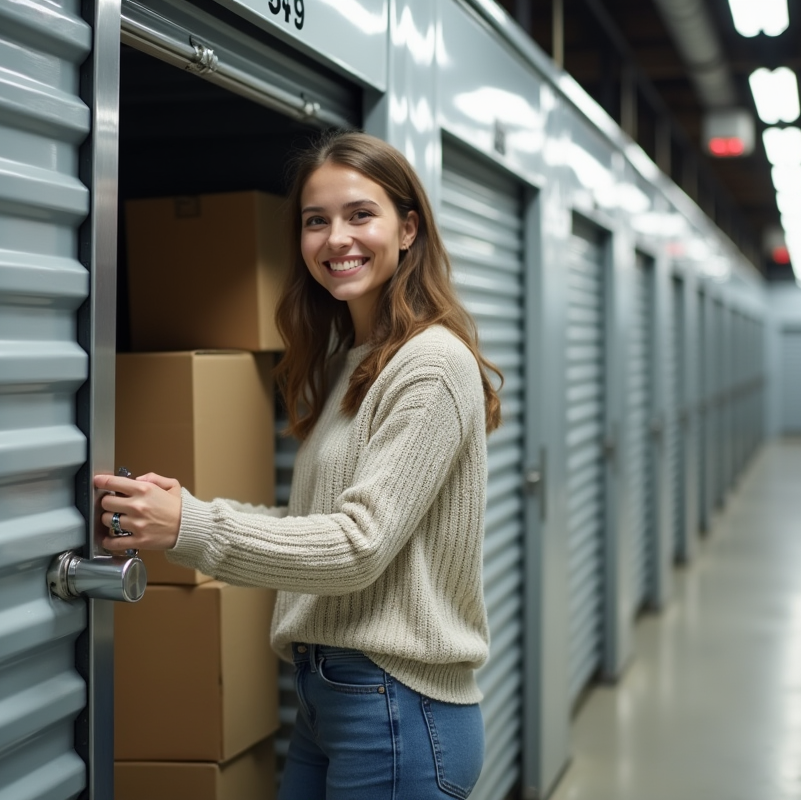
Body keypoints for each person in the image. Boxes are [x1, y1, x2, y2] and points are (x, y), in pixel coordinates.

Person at [95, 130, 502, 799]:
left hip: (396, 703)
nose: (336, 238)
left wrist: (192, 526)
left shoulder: (431, 363)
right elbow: (316, 524)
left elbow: (357, 547)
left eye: (359, 214)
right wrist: (182, 511)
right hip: (331, 694)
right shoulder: (356, 360)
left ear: (408, 228)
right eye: (317, 221)